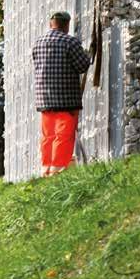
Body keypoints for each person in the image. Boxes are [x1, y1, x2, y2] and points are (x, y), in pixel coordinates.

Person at [32, 11, 91, 177]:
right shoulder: (70, 42)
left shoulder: (38, 43)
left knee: (48, 135)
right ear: (66, 25)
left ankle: (46, 168)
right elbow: (82, 66)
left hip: (44, 98)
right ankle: (58, 168)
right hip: (66, 98)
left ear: (51, 23)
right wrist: (87, 54)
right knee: (63, 134)